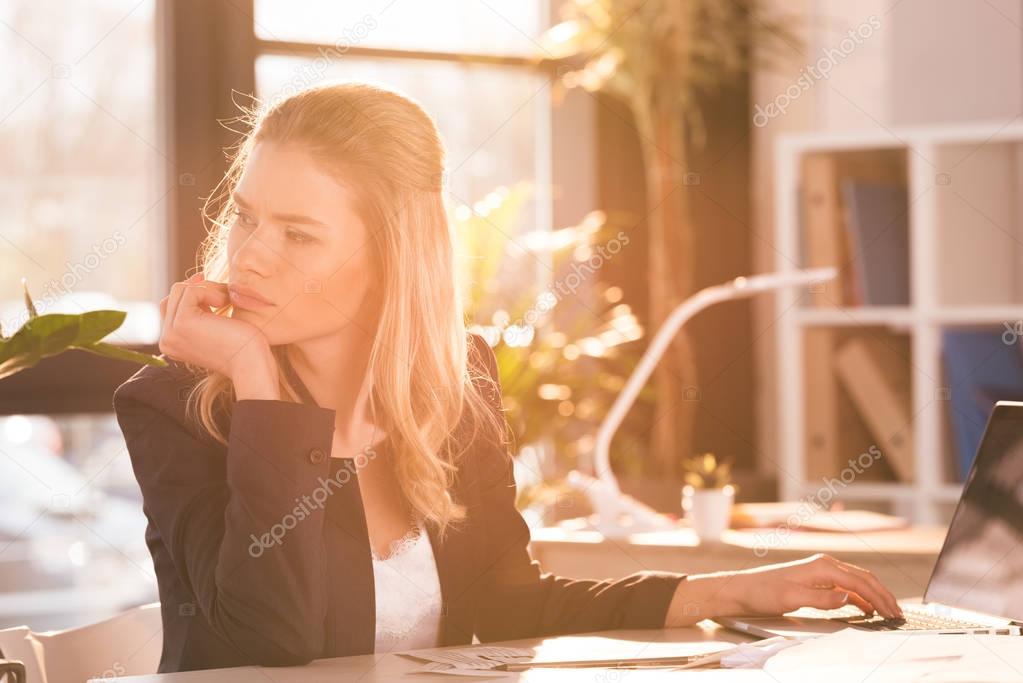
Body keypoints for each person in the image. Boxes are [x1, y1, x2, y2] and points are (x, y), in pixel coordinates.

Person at [113, 81, 902, 674]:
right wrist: (257, 380)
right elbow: (266, 646)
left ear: (396, 256)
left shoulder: (456, 387)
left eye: (298, 233)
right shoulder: (173, 409)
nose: (249, 253)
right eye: (246, 215)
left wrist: (734, 591)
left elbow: (509, 600)